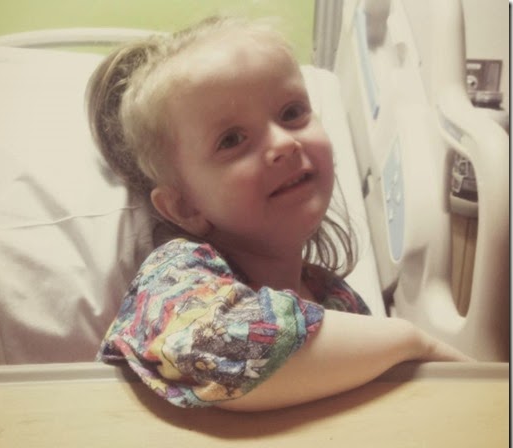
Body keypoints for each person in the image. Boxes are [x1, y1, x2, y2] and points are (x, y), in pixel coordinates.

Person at [87, 16, 472, 411]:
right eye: (232, 140)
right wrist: (411, 341)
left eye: (291, 112)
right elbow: (215, 351)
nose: (284, 143)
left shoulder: (337, 300)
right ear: (185, 206)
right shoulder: (173, 277)